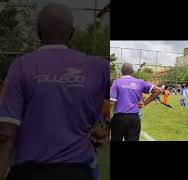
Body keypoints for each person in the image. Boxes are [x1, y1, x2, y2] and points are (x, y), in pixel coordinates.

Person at [0, 3, 108, 180]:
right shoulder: (99, 67)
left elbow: (6, 132)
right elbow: (123, 100)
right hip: (78, 172)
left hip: (29, 172)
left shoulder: (21, 66)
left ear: (38, 32)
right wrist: (107, 130)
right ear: (71, 33)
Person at [110, 63, 161, 141]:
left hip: (118, 118)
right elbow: (158, 90)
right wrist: (144, 103)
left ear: (121, 72)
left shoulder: (116, 82)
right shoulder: (140, 82)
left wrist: (108, 118)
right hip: (134, 119)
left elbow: (112, 102)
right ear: (132, 72)